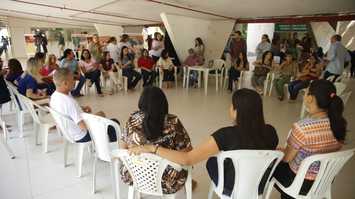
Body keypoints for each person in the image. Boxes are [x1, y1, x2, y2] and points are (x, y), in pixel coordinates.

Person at [129, 88, 279, 197]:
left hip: (230, 187)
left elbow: (189, 159)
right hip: (259, 185)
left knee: (211, 162)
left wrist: (152, 148)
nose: (230, 108)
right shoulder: (271, 132)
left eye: (231, 105)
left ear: (236, 111)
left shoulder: (225, 135)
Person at [273, 79, 346, 199]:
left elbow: (286, 159)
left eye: (305, 92)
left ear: (310, 98)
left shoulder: (302, 127)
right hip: (324, 180)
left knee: (271, 164)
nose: (304, 95)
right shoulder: (339, 124)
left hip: (300, 183)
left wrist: (280, 152)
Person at [120, 86, 192, 194]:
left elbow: (122, 146)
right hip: (167, 182)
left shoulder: (132, 118)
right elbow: (187, 153)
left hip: (134, 176)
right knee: (184, 164)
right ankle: (190, 182)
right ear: (163, 103)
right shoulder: (173, 122)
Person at [50, 68, 118, 143]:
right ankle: (111, 150)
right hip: (81, 135)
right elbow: (84, 127)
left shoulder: (54, 97)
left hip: (69, 133)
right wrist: (97, 117)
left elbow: (68, 111)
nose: (75, 81)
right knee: (113, 124)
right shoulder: (68, 102)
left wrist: (82, 108)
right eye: (73, 79)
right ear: (65, 83)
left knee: (102, 117)